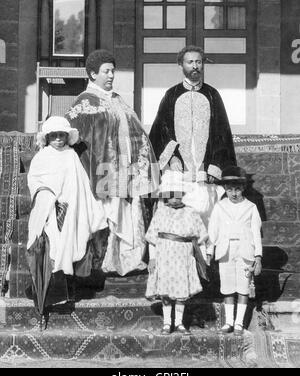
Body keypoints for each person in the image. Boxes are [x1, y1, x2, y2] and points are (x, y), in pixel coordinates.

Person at [65, 49, 159, 276]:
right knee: (110, 212)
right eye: (106, 71)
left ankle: (129, 259)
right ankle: (104, 262)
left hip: (128, 169)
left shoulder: (118, 100)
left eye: (112, 71)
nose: (111, 76)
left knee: (129, 212)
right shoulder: (84, 102)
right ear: (92, 73)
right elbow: (73, 136)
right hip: (103, 170)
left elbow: (136, 131)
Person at [26, 116, 107, 317]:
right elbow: (35, 181)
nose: (58, 140)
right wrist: (48, 197)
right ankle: (52, 293)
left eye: (61, 135)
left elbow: (78, 182)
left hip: (70, 208)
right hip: (50, 209)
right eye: (54, 136)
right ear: (47, 138)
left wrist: (75, 202)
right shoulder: (42, 157)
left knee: (70, 247)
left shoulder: (71, 156)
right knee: (53, 248)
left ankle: (69, 290)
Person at [149, 45, 236, 225]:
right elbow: (161, 131)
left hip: (205, 169)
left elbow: (222, 133)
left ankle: (206, 253)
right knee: (176, 220)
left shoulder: (212, 95)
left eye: (198, 61)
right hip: (178, 170)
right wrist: (172, 157)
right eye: (190, 62)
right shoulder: (171, 95)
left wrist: (216, 164)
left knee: (206, 215)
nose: (195, 66)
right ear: (181, 65)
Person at [145, 171, 210, 335]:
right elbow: (152, 238)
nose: (175, 198)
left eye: (178, 195)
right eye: (171, 195)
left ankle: (179, 323)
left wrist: (204, 256)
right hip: (164, 257)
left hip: (183, 257)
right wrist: (152, 259)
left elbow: (200, 237)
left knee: (181, 291)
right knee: (166, 291)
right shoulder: (160, 213)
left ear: (183, 194)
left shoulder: (191, 212)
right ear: (166, 196)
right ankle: (167, 323)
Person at [208, 166, 263, 335]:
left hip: (245, 250)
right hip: (226, 250)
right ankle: (229, 322)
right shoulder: (219, 206)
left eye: (237, 189)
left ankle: (239, 323)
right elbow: (213, 231)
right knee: (227, 287)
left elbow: (256, 233)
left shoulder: (251, 207)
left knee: (243, 287)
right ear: (225, 189)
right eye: (230, 189)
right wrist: (210, 251)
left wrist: (258, 257)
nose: (234, 193)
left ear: (243, 189)